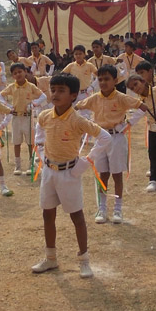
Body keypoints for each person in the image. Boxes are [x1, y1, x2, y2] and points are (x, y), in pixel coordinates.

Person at [31, 74, 111, 278]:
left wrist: (86, 162)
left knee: (76, 216)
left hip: (70, 173)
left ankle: (84, 259)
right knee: (47, 213)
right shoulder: (45, 116)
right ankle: (50, 258)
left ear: (73, 95)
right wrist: (40, 153)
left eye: (61, 90)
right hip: (49, 171)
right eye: (53, 89)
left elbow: (104, 137)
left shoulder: (78, 120)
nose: (55, 94)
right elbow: (39, 131)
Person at [75, 64, 147, 223]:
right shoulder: (94, 98)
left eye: (107, 79)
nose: (103, 82)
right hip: (100, 138)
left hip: (116, 138)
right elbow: (77, 106)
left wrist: (128, 124)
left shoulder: (121, 97)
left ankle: (118, 208)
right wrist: (84, 122)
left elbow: (142, 107)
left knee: (116, 174)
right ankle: (102, 208)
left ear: (115, 80)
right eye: (100, 79)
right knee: (102, 174)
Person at [0, 62, 46, 175]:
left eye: (20, 71)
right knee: (17, 142)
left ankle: (31, 165)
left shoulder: (31, 86)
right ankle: (18, 166)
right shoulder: (12, 87)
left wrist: (34, 103)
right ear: (12, 76)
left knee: (30, 142)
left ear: (25, 72)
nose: (18, 74)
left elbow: (43, 96)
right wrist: (8, 106)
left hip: (28, 118)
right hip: (16, 117)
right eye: (15, 73)